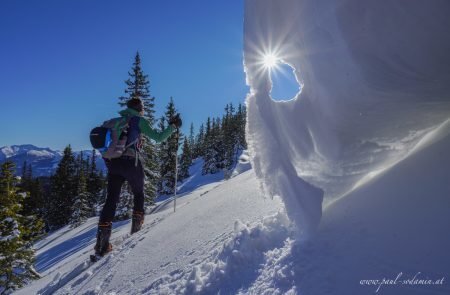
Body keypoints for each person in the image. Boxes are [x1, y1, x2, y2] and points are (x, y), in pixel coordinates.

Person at [94, 98, 182, 257]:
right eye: (142, 108)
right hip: (131, 163)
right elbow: (159, 137)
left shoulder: (115, 121)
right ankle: (136, 230)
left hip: (113, 164)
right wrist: (173, 126)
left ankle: (101, 245)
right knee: (139, 193)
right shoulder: (138, 121)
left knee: (111, 199)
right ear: (140, 108)